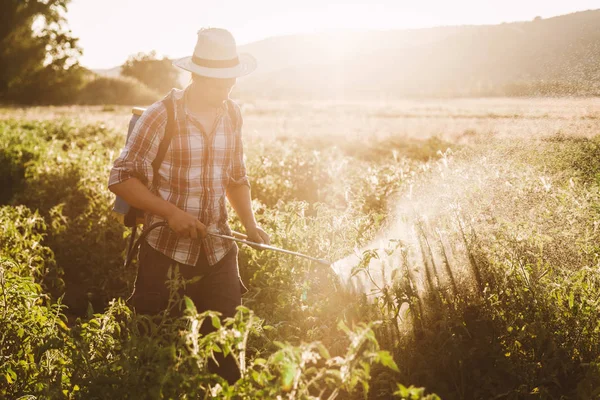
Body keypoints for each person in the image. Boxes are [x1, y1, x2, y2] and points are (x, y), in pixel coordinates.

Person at [108, 28, 269, 384]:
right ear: (196, 75)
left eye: (231, 80)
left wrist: (250, 224)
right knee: (153, 353)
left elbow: (236, 178)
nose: (227, 89)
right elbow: (121, 178)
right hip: (165, 251)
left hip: (218, 250)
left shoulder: (232, 114)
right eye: (218, 81)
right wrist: (170, 213)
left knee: (227, 358)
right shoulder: (160, 116)